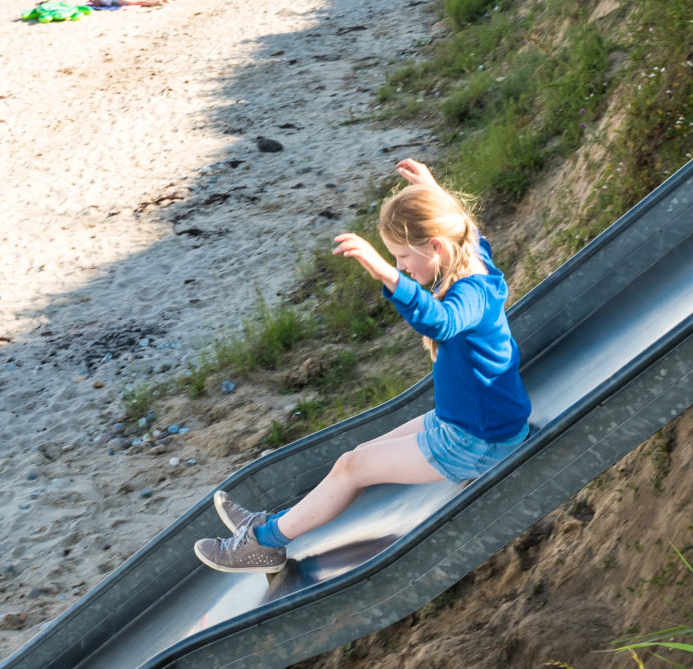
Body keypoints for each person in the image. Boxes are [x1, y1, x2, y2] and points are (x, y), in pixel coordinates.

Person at [195, 160, 531, 573]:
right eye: (396, 259)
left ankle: (263, 545)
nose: (404, 265)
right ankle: (267, 528)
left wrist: (384, 272)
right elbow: (463, 225)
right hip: (472, 424)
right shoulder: (471, 254)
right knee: (355, 458)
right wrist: (432, 191)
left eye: (404, 256)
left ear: (436, 246)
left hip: (478, 442)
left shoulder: (472, 293)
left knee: (352, 468)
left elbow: (440, 322)